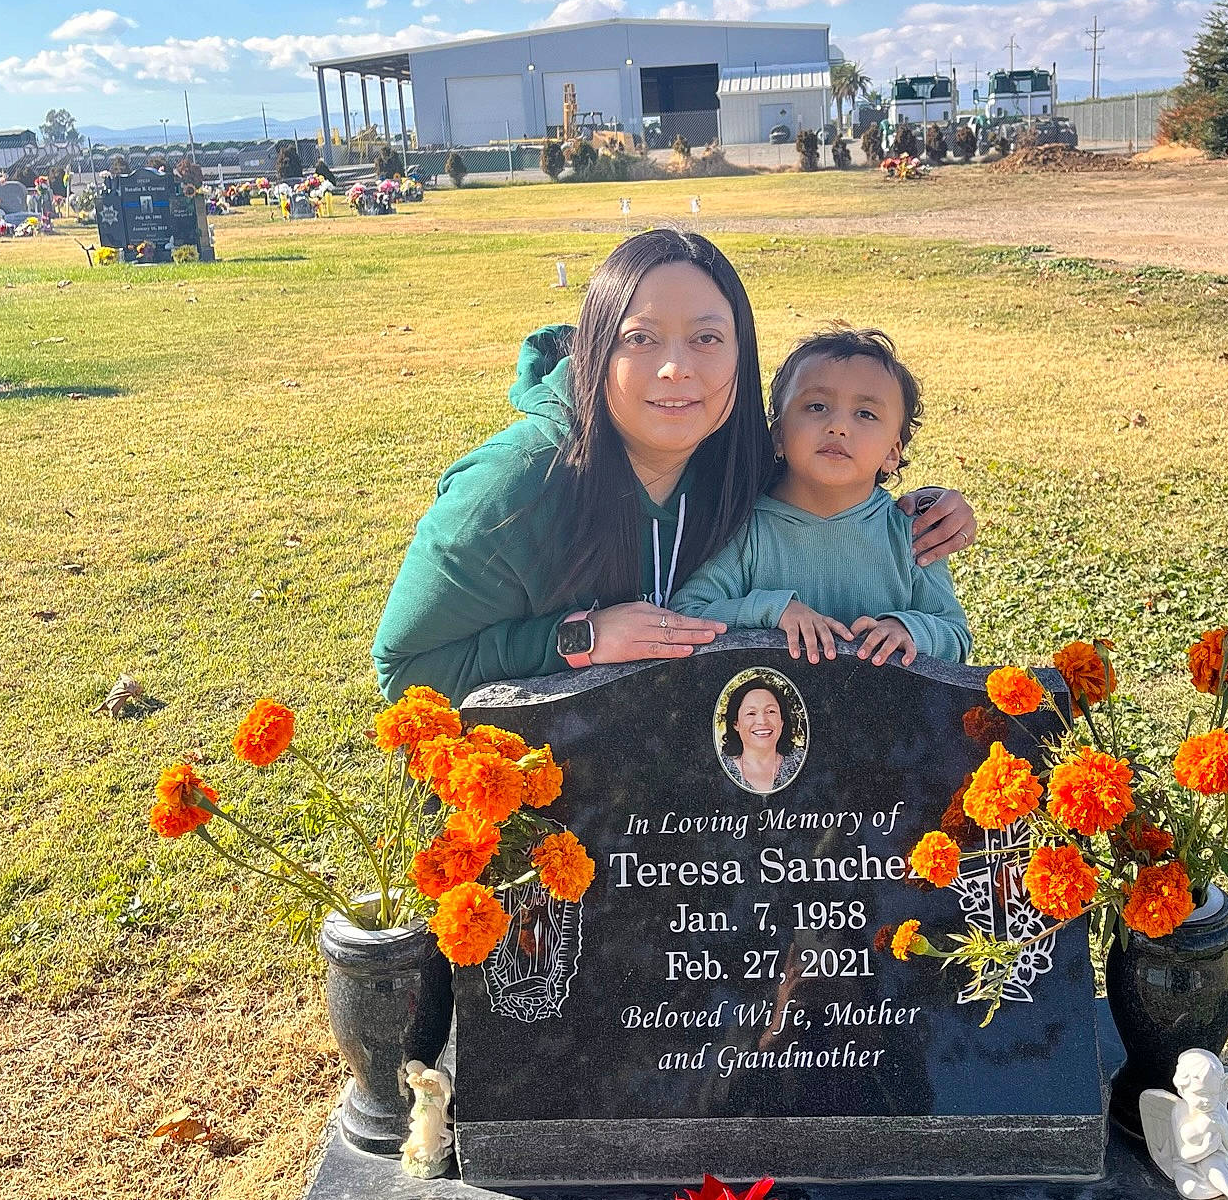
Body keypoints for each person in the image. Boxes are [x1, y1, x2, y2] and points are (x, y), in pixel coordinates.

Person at [372, 231, 975, 703]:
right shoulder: (509, 491)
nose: (675, 369)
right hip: (546, 803)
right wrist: (579, 638)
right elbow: (406, 672)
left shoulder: (729, 463)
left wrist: (933, 509)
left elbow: (832, 489)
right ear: (595, 350)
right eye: (640, 338)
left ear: (742, 358)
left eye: (708, 339)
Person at [672, 326, 971, 668]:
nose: (838, 426)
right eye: (816, 406)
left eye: (866, 414)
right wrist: (774, 610)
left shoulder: (912, 536)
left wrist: (909, 629)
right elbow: (689, 615)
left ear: (892, 452)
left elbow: (955, 634)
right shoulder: (746, 528)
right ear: (779, 435)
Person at [719, 676, 803, 795]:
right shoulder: (718, 769)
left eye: (770, 711)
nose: (762, 721)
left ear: (782, 721)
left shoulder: (800, 762)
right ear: (735, 723)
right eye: (751, 713)